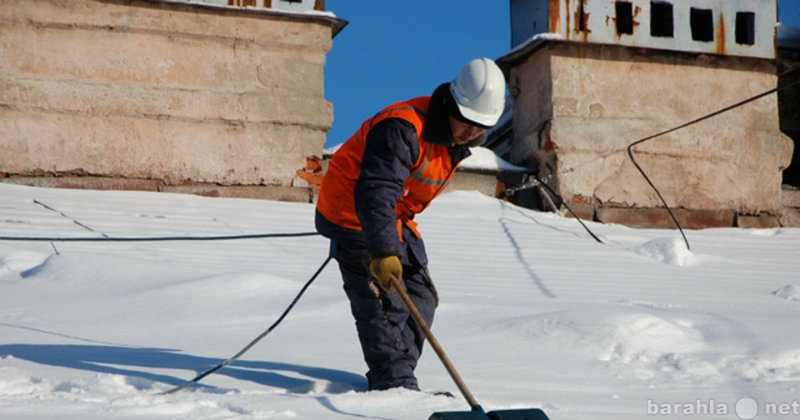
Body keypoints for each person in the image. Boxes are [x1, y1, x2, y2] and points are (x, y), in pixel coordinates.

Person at [315, 58, 506, 392]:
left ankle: (397, 374)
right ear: (452, 103)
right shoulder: (403, 128)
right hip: (353, 214)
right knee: (384, 300)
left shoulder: (454, 142)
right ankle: (394, 383)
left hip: (395, 218)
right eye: (467, 122)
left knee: (420, 296)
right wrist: (384, 251)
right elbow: (376, 191)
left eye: (481, 126)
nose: (472, 133)